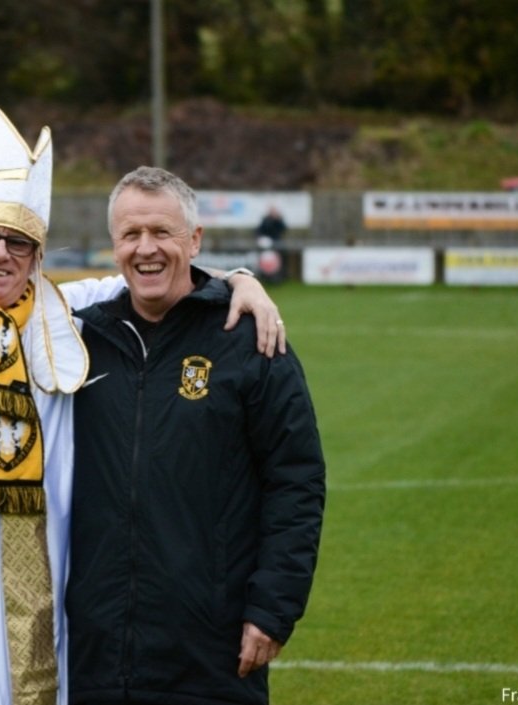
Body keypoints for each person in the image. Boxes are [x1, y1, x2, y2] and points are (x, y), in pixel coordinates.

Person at [0, 107, 286, 705]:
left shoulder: (64, 321)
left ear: (38, 256)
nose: (0, 255)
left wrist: (242, 279)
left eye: (19, 243)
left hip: (39, 574)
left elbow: (158, 273)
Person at [67, 166, 326, 705]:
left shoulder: (250, 340)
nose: (146, 249)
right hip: (96, 653)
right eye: (130, 235)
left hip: (212, 652)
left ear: (195, 240)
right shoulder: (78, 342)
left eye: (162, 232)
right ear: (113, 246)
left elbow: (296, 480)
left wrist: (273, 608)